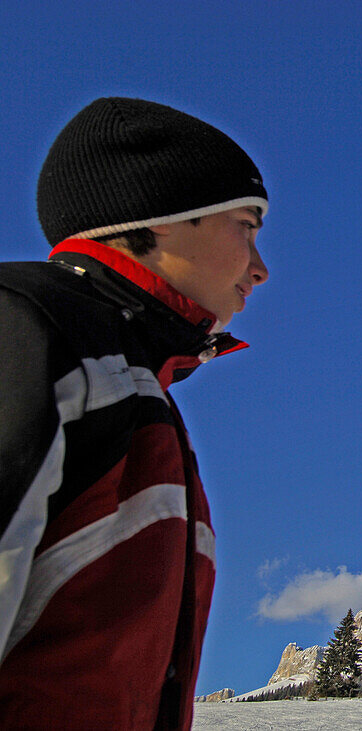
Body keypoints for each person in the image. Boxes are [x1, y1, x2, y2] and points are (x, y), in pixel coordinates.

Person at [0, 97, 269, 729]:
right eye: (247, 226)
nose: (259, 269)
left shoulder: (135, 382)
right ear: (165, 218)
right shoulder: (31, 330)